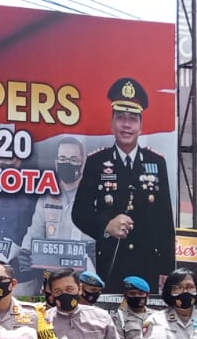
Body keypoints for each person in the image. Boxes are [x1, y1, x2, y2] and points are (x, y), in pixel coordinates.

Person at [70, 77, 175, 289]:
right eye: (120, 118)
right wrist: (106, 226)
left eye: (133, 119)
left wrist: (167, 267)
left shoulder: (156, 162)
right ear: (112, 123)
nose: (126, 125)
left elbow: (165, 219)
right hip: (111, 261)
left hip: (149, 264)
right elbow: (79, 212)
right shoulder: (96, 162)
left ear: (141, 126)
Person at [18, 136, 93, 294]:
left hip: (84, 279)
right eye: (63, 159)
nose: (67, 163)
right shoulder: (47, 196)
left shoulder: (94, 197)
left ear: (83, 162)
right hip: (52, 279)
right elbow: (35, 231)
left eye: (73, 159)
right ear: (56, 163)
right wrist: (25, 251)